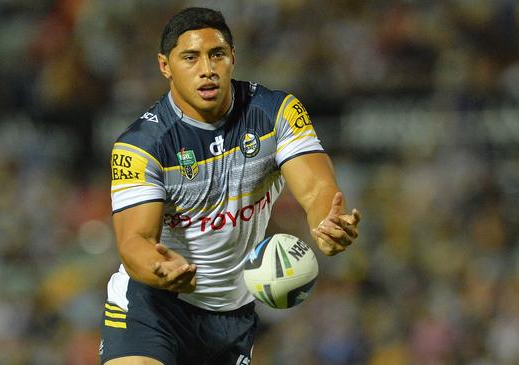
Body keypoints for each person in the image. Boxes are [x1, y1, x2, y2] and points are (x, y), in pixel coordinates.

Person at [100, 7, 361, 365]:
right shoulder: (141, 145)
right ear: (165, 66)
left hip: (231, 316)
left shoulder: (275, 113)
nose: (207, 69)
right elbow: (135, 241)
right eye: (190, 58)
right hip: (155, 305)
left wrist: (325, 222)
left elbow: (317, 188)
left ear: (233, 58)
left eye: (217, 55)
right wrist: (159, 269)